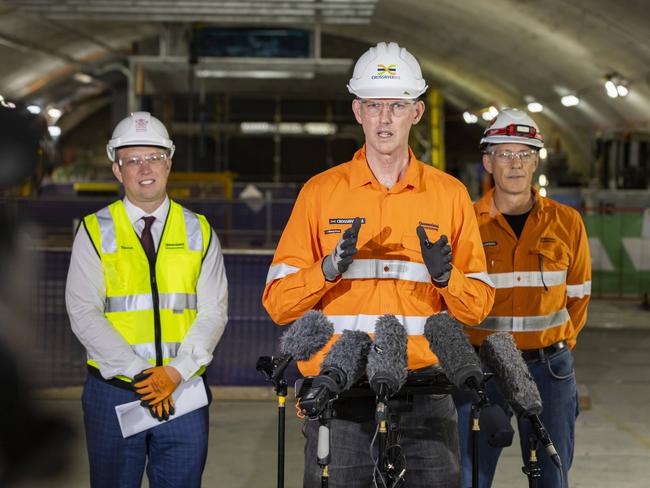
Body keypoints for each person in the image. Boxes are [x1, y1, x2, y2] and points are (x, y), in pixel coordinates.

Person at [262, 42, 495, 487]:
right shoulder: (321, 193)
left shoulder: (448, 195)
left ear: (417, 112)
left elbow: (478, 307)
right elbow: (278, 304)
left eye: (396, 105)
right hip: (341, 393)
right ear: (357, 111)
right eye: (374, 106)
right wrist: (326, 269)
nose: (385, 118)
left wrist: (446, 278)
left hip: (426, 392)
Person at [65, 111, 228, 488]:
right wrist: (142, 374)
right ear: (117, 170)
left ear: (169, 163)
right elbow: (83, 312)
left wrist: (175, 372)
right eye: (132, 160)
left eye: (153, 157)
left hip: (184, 391)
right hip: (115, 393)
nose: (144, 168)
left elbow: (213, 311)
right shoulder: (93, 231)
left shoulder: (199, 230)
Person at [453, 108, 591, 487]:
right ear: (487, 161)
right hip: (482, 370)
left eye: (524, 154)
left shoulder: (567, 222)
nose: (515, 164)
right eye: (504, 153)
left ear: (535, 161)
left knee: (552, 474)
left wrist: (553, 346)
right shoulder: (463, 222)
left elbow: (578, 297)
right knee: (470, 475)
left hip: (549, 370)